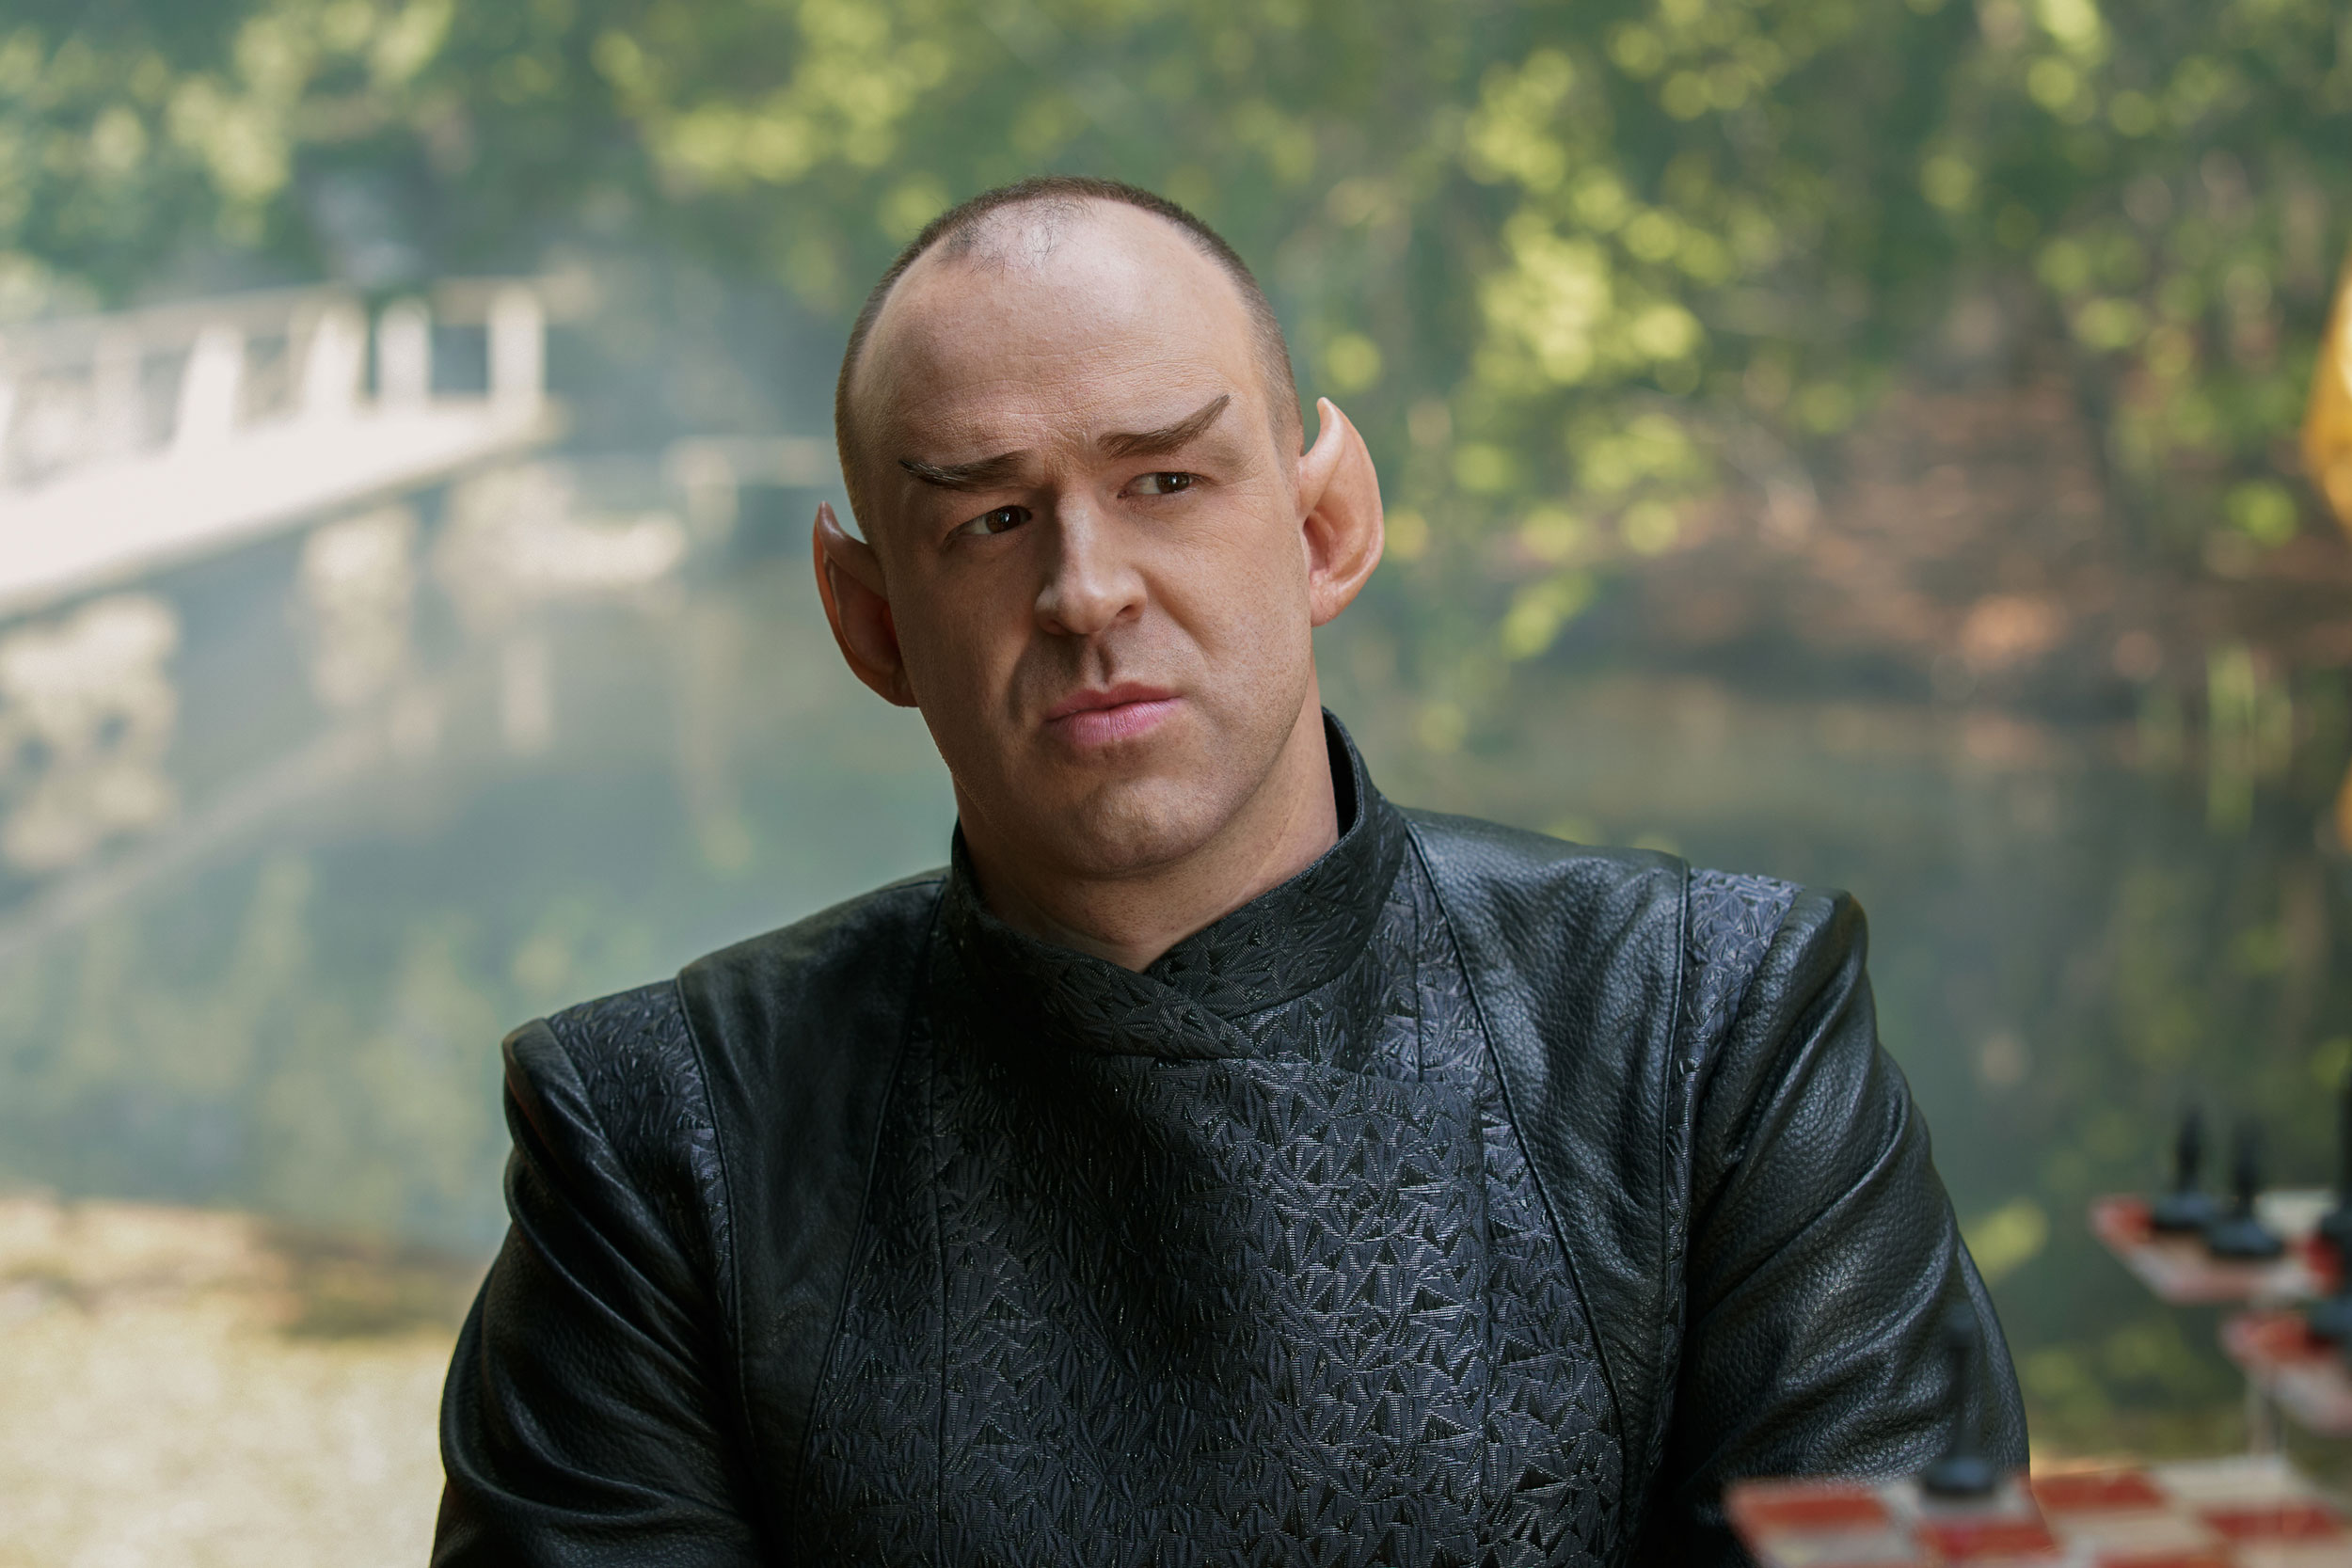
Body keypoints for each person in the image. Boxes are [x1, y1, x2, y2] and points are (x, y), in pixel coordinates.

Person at [433, 175, 2026, 1567]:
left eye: (1166, 483)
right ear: (870, 621)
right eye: (990, 520)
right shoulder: (664, 1136)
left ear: (1327, 526)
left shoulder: (1710, 1032)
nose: (1085, 589)